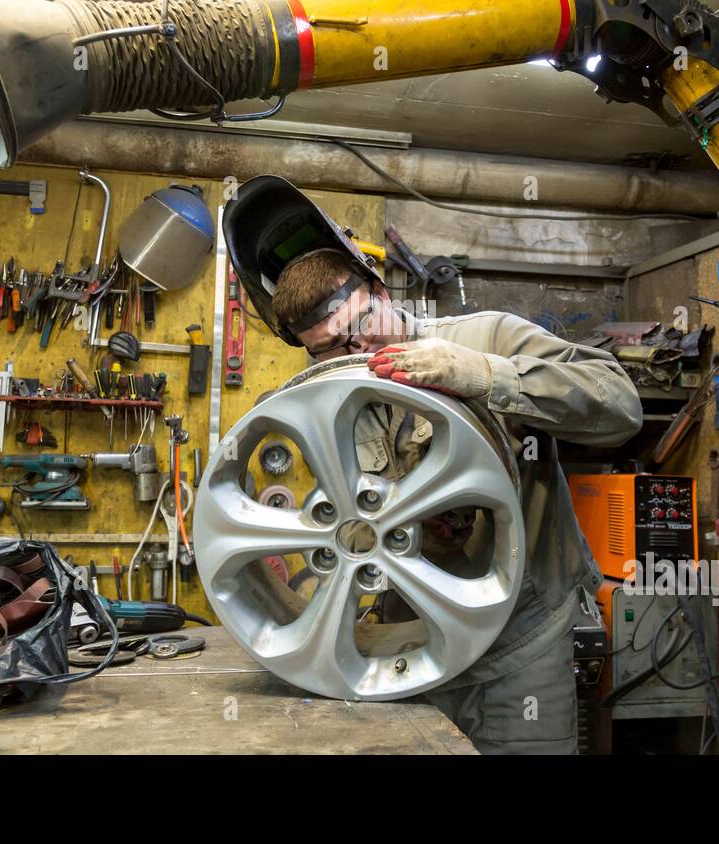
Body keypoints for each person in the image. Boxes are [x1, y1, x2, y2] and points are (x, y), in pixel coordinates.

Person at [225, 176, 643, 753]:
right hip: (413, 639)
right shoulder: (328, 402)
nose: (355, 354)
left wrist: (488, 376)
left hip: (520, 641)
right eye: (327, 349)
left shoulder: (488, 335)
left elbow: (620, 406)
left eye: (358, 327)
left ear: (381, 290)